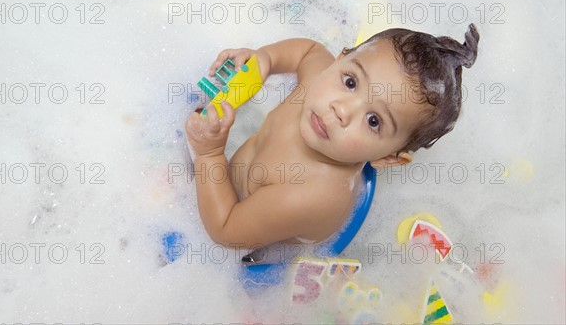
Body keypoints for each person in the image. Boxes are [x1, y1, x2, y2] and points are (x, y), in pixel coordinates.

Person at [185, 24, 479, 249]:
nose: (342, 109)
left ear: (388, 157)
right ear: (340, 59)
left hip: (258, 226)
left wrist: (209, 155)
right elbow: (308, 51)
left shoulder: (307, 195)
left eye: (373, 121)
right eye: (351, 81)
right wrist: (265, 59)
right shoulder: (320, 79)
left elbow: (225, 228)